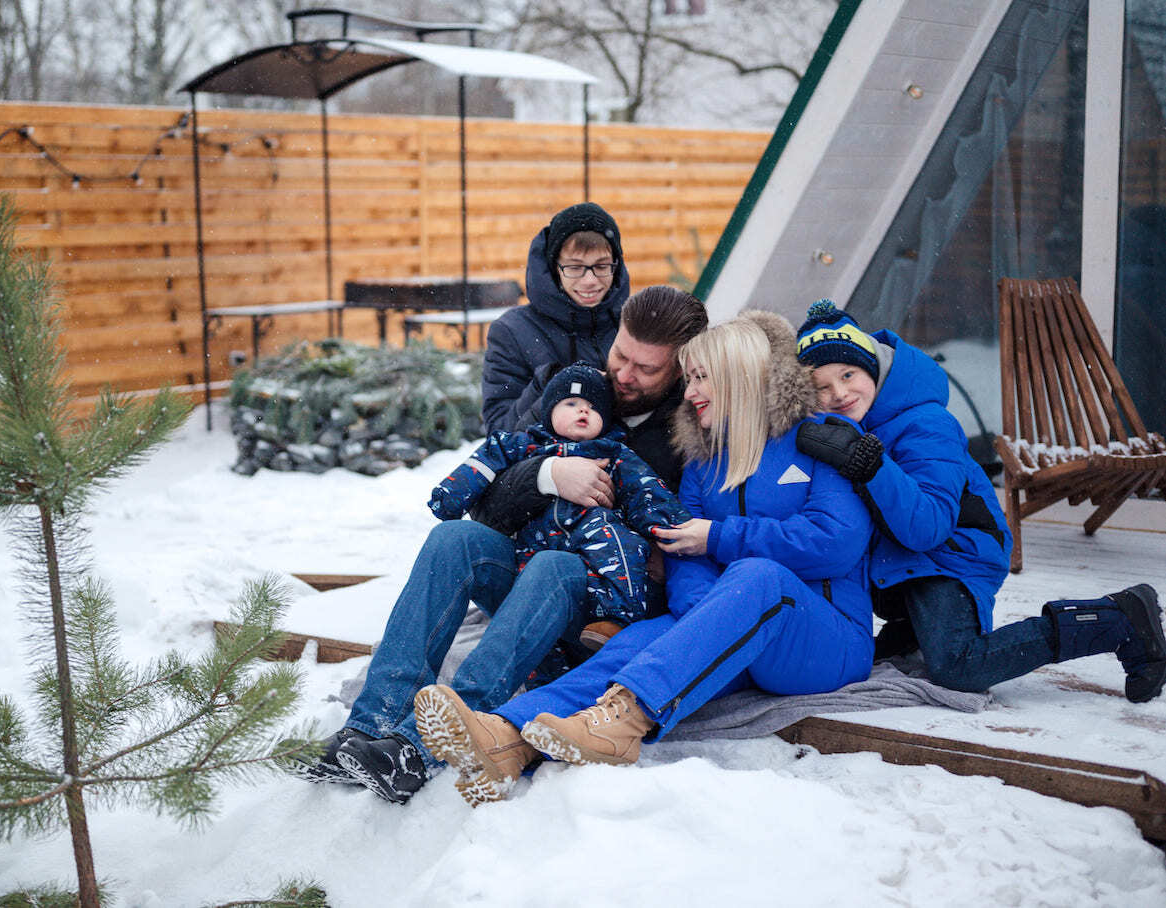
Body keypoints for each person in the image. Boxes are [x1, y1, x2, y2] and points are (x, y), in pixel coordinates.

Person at [412, 310, 876, 806]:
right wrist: (707, 615)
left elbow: (836, 542)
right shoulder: (702, 465)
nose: (691, 390)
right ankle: (505, 738)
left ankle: (624, 722)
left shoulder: (818, 439)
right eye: (690, 377)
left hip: (824, 639)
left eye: (702, 378)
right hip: (738, 630)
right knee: (633, 642)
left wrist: (720, 538)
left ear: (739, 377)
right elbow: (683, 553)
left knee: (756, 575)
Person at [290, 285, 706, 804]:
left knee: (555, 564)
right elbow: (487, 508)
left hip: (600, 613)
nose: (623, 375)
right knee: (455, 538)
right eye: (621, 354)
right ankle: (370, 723)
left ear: (682, 369)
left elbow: (684, 543)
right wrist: (547, 475)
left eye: (647, 369)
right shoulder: (578, 393)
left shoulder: (688, 433)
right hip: (530, 584)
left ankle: (426, 744)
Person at [791, 299, 1165, 702]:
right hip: (903, 563)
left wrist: (867, 464)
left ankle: (1118, 617)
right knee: (869, 657)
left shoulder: (925, 423)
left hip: (953, 553)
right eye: (822, 387)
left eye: (848, 374)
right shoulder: (848, 428)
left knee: (959, 665)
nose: (840, 393)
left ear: (874, 367)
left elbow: (927, 526)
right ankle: (914, 632)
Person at [430, 362, 691, 649]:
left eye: (593, 408)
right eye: (571, 403)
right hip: (538, 542)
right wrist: (450, 497)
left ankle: (615, 619)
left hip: (592, 537)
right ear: (549, 410)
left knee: (622, 545)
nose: (582, 410)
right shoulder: (523, 445)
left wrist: (672, 527)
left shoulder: (614, 453)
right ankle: (537, 666)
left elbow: (645, 489)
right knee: (536, 605)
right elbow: (482, 464)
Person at [481, 202, 630, 435]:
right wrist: (552, 383)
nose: (590, 280)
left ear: (616, 265)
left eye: (601, 266)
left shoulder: (633, 324)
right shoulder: (512, 332)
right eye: (574, 267)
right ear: (554, 268)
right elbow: (501, 433)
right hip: (548, 465)